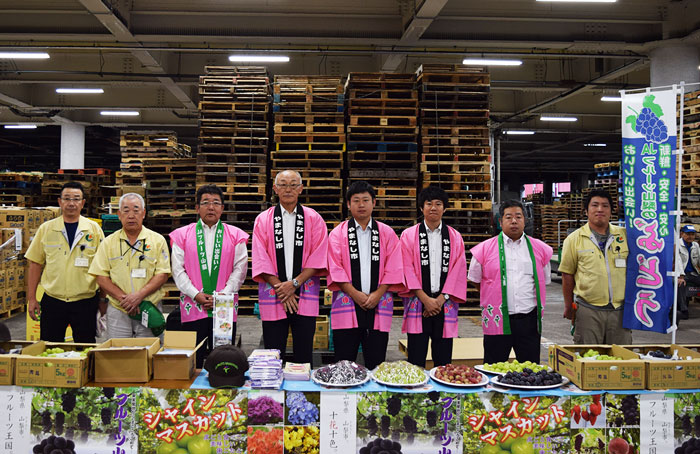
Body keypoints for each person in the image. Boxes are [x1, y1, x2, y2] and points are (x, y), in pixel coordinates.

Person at [252, 170, 328, 364]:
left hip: (305, 294)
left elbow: (319, 256)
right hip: (274, 294)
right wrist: (282, 289)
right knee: (273, 354)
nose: (288, 189)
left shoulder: (313, 218)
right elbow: (261, 258)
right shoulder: (263, 220)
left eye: (293, 184)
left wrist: (293, 284)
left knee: (304, 354)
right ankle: (272, 395)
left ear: (301, 189)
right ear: (275, 189)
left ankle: (303, 393)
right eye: (283, 184)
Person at [327, 181, 404, 370]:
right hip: (347, 303)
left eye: (365, 200)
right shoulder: (338, 234)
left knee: (376, 363)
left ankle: (374, 399)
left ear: (374, 203)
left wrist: (378, 293)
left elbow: (394, 267)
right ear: (348, 204)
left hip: (379, 303)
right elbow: (334, 267)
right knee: (344, 365)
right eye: (356, 201)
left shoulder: (387, 233)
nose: (361, 205)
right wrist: (355, 294)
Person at [170, 185, 249, 367]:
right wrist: (195, 294)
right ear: (197, 208)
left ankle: (222, 391)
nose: (211, 207)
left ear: (222, 208)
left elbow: (240, 269)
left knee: (222, 359)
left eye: (216, 203)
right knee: (192, 359)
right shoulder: (182, 235)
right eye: (205, 203)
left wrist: (222, 295)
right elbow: (178, 270)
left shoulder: (235, 235)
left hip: (223, 306)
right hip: (193, 304)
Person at [468, 199, 552, 364]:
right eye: (508, 217)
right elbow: (476, 281)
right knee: (493, 367)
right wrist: (493, 293)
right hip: (497, 320)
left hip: (528, 320)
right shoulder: (483, 249)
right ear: (500, 221)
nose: (514, 221)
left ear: (524, 220)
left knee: (530, 370)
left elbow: (544, 281)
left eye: (518, 217)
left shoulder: (541, 249)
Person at [25, 181, 105, 343]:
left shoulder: (93, 229)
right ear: (59, 201)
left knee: (85, 348)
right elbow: (35, 264)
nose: (71, 203)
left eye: (76, 199)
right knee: (49, 346)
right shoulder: (46, 229)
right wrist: (32, 298)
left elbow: (103, 268)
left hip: (85, 301)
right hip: (53, 300)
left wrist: (103, 300)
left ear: (82, 203)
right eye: (67, 198)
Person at [400, 186, 467, 368]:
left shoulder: (454, 236)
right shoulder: (408, 236)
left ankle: (441, 396)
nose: (433, 208)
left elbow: (458, 270)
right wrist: (425, 299)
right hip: (418, 302)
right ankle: (415, 395)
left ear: (445, 208)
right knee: (415, 358)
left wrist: (440, 299)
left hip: (445, 304)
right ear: (421, 208)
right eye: (429, 203)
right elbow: (406, 268)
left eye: (438, 204)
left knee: (444, 360)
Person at [88, 193, 171, 338]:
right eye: (126, 211)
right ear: (119, 214)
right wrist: (124, 299)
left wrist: (139, 296)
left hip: (148, 307)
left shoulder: (157, 241)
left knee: (148, 352)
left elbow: (162, 274)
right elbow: (101, 276)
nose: (131, 215)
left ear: (143, 213)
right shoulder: (108, 242)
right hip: (119, 309)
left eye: (136, 210)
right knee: (119, 354)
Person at [559, 189, 631, 344]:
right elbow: (567, 275)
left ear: (612, 211)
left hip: (620, 310)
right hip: (588, 310)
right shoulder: (574, 239)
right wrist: (568, 306)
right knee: (588, 358)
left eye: (605, 206)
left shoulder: (624, 236)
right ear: (586, 211)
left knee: (621, 357)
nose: (600, 209)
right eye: (595, 205)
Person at [677, 224, 700, 321]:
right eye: (688, 234)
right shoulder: (677, 244)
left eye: (692, 234)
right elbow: (678, 261)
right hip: (682, 274)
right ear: (682, 234)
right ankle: (684, 311)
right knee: (680, 284)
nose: (691, 236)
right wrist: (680, 276)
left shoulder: (695, 245)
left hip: (693, 273)